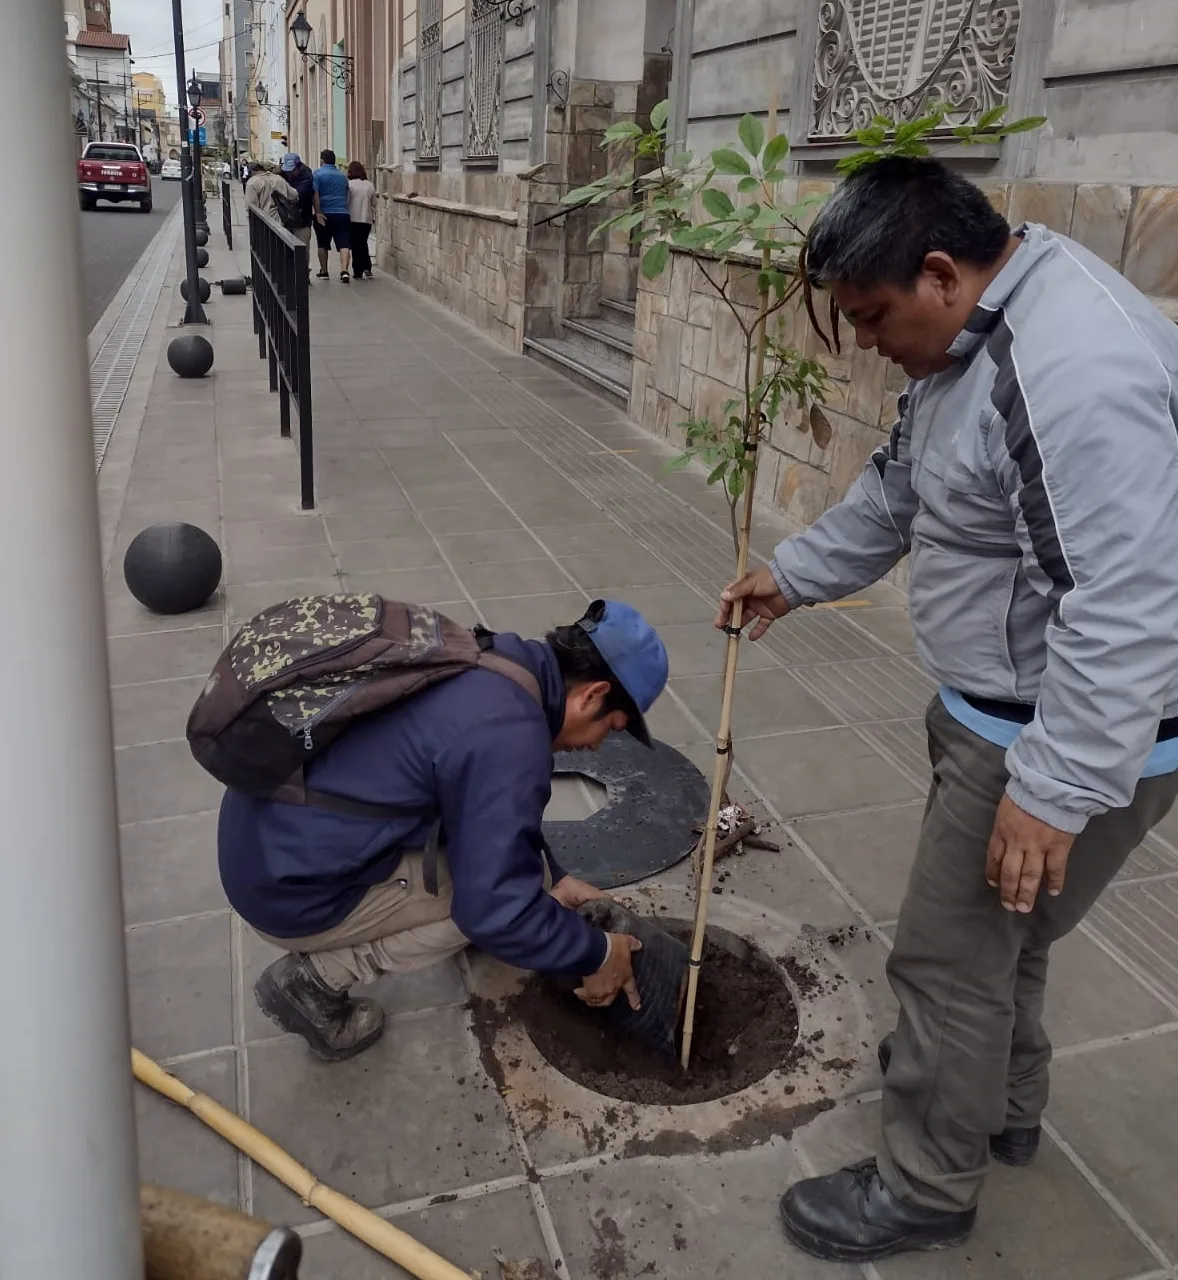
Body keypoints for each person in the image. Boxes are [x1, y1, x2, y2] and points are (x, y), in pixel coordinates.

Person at [717, 156, 1178, 1264]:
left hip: (1051, 729)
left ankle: (925, 1182)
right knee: (997, 943)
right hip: (1002, 711)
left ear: (937, 273)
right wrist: (796, 570)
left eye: (873, 317)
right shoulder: (979, 330)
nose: (868, 343)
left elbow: (1121, 602)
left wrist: (1051, 787)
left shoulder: (1072, 370)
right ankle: (1001, 1103)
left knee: (942, 957)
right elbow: (903, 483)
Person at [218, 599, 669, 1063]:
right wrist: (596, 954)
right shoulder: (512, 735)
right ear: (592, 695)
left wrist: (555, 874)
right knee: (496, 900)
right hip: (287, 890)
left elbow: (473, 798)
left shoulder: (494, 659)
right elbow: (493, 910)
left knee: (524, 875)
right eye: (610, 729)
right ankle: (314, 981)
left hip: (265, 836)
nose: (597, 748)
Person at [312, 148, 352, 282]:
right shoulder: (343, 176)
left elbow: (315, 194)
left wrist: (318, 212)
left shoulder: (317, 174)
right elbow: (347, 195)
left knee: (322, 244)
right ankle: (345, 271)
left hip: (325, 213)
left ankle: (324, 271)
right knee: (344, 244)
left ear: (322, 160)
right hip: (342, 213)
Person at [278, 152, 316, 261]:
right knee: (286, 251)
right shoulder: (283, 173)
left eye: (292, 170)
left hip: (302, 219)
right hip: (286, 218)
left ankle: (303, 275)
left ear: (299, 167)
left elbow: (296, 196)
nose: (290, 173)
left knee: (302, 250)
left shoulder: (307, 177)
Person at [346, 160, 376, 280]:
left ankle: (357, 270)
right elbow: (374, 202)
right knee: (363, 243)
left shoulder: (349, 185)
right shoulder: (369, 185)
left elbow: (347, 202)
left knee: (355, 245)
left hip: (352, 218)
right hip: (366, 219)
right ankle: (367, 267)